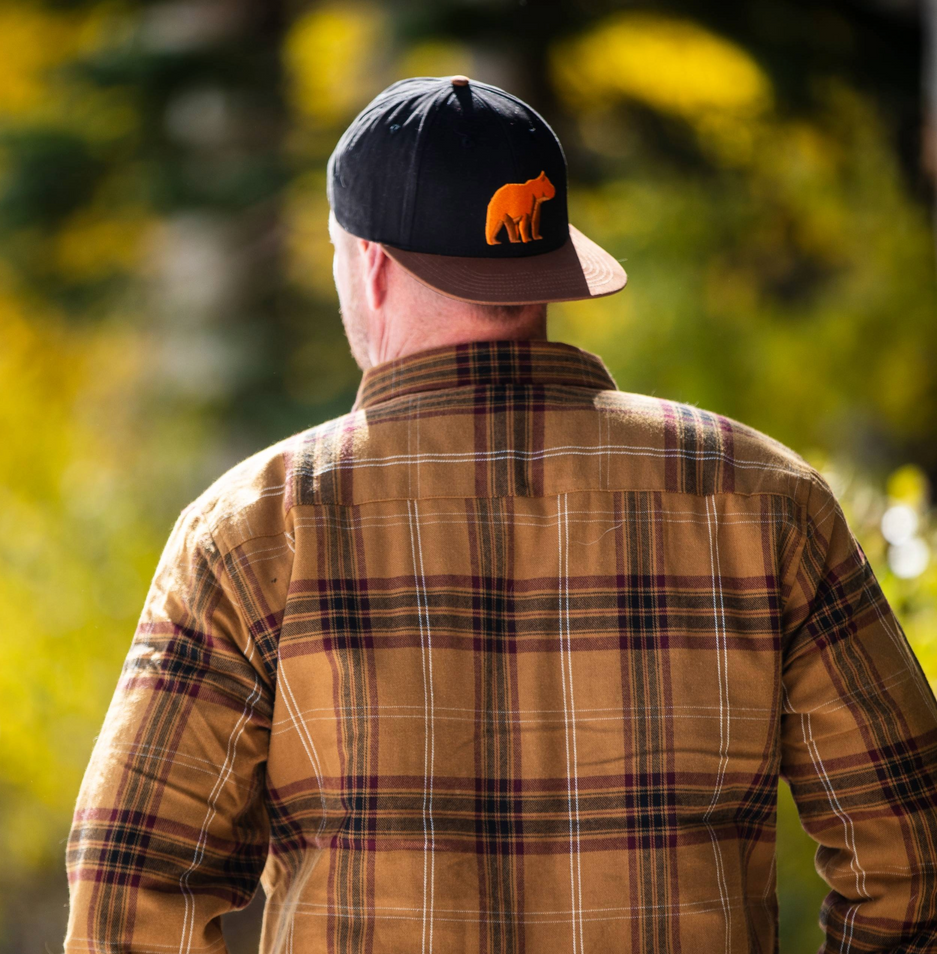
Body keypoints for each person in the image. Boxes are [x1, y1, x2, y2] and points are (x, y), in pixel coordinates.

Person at [63, 76, 937, 954]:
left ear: (368, 263)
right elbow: (917, 856)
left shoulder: (253, 531)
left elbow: (128, 896)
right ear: (545, 259)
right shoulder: (766, 503)